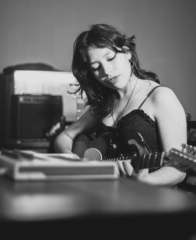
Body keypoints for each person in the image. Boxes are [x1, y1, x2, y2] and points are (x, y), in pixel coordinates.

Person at [54, 23, 187, 186]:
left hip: (152, 198)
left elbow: (179, 169)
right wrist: (72, 160)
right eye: (96, 68)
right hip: (110, 194)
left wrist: (147, 180)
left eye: (110, 58)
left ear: (127, 52)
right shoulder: (105, 104)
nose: (107, 72)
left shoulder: (161, 97)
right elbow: (64, 137)